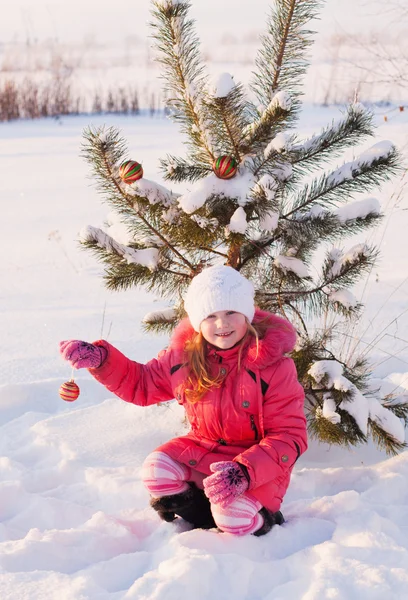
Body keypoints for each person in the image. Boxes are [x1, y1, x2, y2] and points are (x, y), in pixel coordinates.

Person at [59, 265, 307, 536]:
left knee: (234, 518)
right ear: (197, 321)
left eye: (231, 313)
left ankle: (262, 520)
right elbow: (141, 385)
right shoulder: (183, 357)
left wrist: (244, 473)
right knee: (157, 469)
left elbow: (290, 436)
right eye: (210, 315)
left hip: (258, 465)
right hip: (204, 449)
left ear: (247, 315)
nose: (222, 324)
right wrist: (101, 360)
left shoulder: (274, 366)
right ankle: (203, 517)